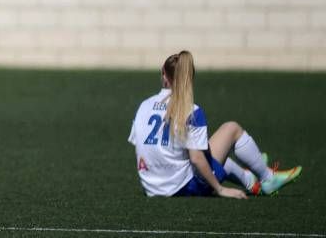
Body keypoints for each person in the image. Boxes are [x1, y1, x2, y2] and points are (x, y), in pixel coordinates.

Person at [128, 50, 302, 198]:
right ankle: (266, 177)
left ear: (163, 73)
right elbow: (196, 158)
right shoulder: (191, 109)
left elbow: (141, 147)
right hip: (182, 188)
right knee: (231, 129)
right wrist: (220, 189)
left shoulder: (143, 105)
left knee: (206, 153)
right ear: (189, 78)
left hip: (150, 187)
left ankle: (251, 179)